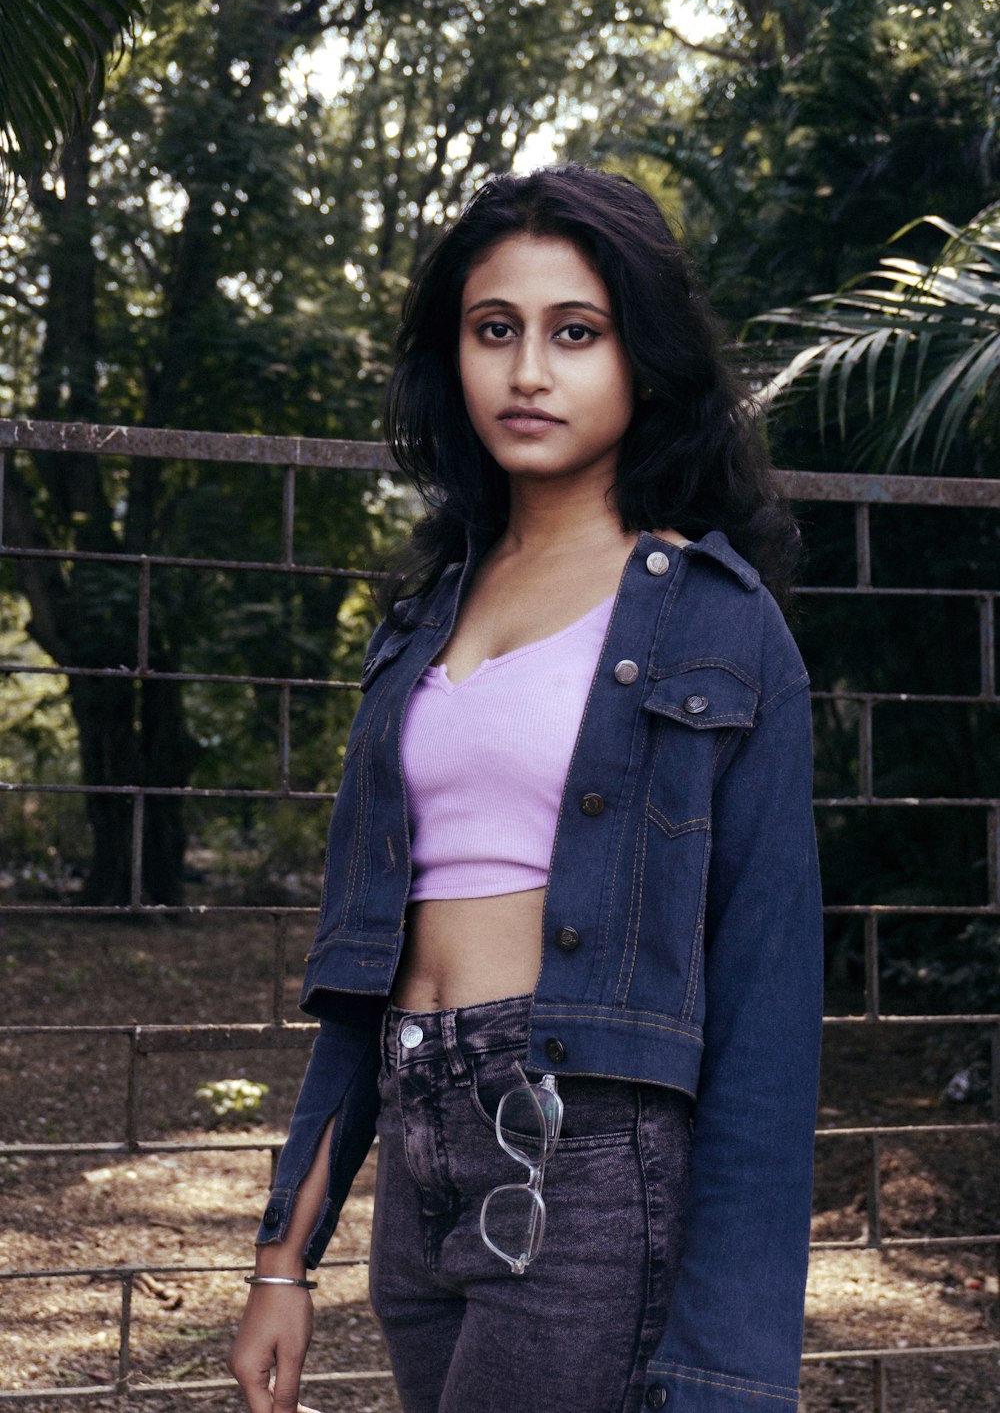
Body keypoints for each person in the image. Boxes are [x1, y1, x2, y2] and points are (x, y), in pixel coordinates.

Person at [227, 164, 824, 1413]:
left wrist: (729, 1365)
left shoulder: (718, 626)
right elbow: (360, 973)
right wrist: (286, 1255)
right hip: (419, 1137)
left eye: (576, 333)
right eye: (494, 330)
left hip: (586, 1155)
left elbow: (768, 1002)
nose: (528, 371)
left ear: (642, 361)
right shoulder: (418, 629)